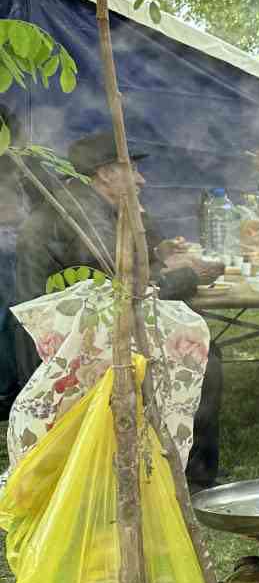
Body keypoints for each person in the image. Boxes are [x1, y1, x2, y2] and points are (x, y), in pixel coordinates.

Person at [13, 130, 222, 488]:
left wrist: (153, 245)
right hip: (65, 346)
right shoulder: (83, 216)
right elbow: (128, 289)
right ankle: (190, 478)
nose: (141, 179)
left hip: (71, 332)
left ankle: (174, 464)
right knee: (203, 354)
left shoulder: (81, 202)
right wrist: (189, 276)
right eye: (132, 169)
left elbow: (122, 275)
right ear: (106, 173)